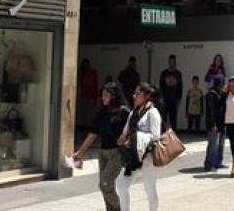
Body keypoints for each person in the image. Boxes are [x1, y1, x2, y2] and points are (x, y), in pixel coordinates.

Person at [74, 83, 130, 211]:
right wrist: (80, 153)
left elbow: (134, 129)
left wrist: (127, 139)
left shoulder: (124, 111)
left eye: (106, 95)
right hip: (102, 154)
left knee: (105, 184)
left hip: (116, 153)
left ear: (114, 96)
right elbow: (93, 133)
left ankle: (118, 209)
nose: (103, 98)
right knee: (104, 185)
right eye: (102, 95)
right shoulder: (103, 111)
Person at [115, 83, 163, 211]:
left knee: (150, 189)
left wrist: (137, 138)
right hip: (132, 158)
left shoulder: (153, 112)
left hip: (147, 158)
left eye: (137, 93)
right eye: (134, 93)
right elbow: (126, 130)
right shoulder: (133, 112)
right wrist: (123, 138)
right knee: (121, 185)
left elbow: (155, 136)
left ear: (146, 96)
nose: (134, 96)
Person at [204, 76, 226, 171]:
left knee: (220, 143)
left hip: (222, 123)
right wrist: (213, 124)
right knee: (213, 144)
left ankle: (218, 162)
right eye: (222, 85)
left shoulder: (222, 94)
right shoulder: (211, 95)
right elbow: (211, 111)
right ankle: (209, 163)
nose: (223, 86)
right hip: (214, 124)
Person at [159, 55, 183, 130]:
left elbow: (180, 86)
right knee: (163, 118)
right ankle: (162, 134)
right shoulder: (164, 73)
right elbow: (161, 86)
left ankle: (173, 136)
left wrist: (179, 98)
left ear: (175, 62)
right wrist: (161, 98)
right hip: (165, 99)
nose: (172, 63)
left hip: (174, 99)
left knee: (173, 119)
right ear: (168, 62)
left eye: (173, 62)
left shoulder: (178, 74)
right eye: (170, 61)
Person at [78, 58, 99, 127]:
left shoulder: (93, 73)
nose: (86, 66)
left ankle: (90, 127)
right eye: (84, 65)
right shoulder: (82, 73)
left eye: (86, 65)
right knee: (84, 113)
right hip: (84, 95)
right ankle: (85, 127)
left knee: (91, 113)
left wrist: (95, 97)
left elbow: (95, 85)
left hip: (91, 96)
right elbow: (81, 85)